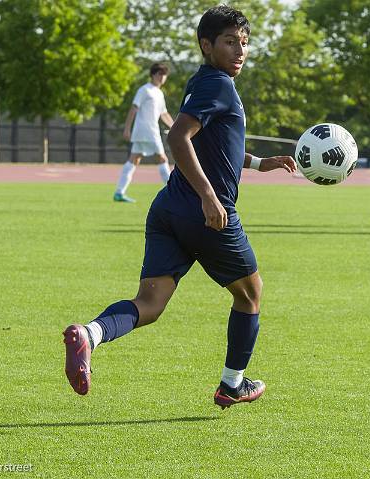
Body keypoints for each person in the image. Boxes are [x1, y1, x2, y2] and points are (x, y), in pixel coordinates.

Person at [64, 5, 297, 409]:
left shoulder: (205, 82)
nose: (239, 51)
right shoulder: (219, 85)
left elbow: (217, 146)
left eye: (244, 42)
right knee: (251, 295)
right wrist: (208, 195)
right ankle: (232, 384)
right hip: (204, 213)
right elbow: (179, 138)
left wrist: (261, 163)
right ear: (206, 45)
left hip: (168, 210)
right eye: (229, 42)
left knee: (149, 305)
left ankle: (90, 334)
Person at [114, 63, 176, 203]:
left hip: (148, 131)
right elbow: (134, 108)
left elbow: (164, 114)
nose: (162, 77)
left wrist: (174, 127)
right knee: (162, 158)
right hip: (147, 131)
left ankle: (119, 192)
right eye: (159, 74)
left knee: (134, 159)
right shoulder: (144, 90)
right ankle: (173, 192)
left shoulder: (159, 93)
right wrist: (127, 128)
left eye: (164, 74)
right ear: (152, 75)